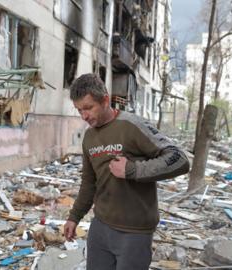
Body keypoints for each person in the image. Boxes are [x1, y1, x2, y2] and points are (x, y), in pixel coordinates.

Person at [63, 73, 190, 270]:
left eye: (88, 108)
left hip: (134, 233)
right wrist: (74, 217)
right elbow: (88, 182)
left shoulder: (132, 126)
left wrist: (132, 170)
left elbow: (179, 159)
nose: (84, 116)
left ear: (105, 100)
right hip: (101, 227)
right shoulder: (89, 137)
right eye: (79, 110)